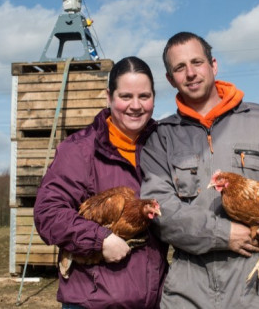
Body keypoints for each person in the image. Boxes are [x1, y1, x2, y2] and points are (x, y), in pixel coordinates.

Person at [139, 32, 259, 308]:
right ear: (170, 79)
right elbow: (161, 210)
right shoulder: (162, 138)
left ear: (213, 65)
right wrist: (222, 234)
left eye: (197, 62)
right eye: (180, 68)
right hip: (189, 293)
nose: (190, 73)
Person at [34, 56, 168, 309]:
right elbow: (48, 213)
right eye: (126, 96)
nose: (136, 106)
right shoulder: (79, 150)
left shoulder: (162, 146)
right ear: (109, 96)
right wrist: (100, 239)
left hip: (154, 301)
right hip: (94, 302)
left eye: (144, 96)